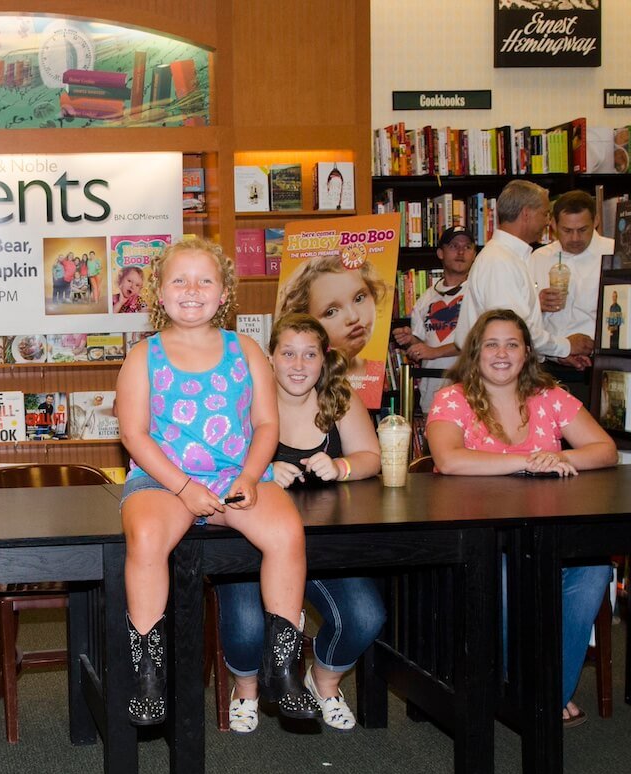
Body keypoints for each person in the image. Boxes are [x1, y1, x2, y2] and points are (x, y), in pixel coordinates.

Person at [117, 237, 318, 726]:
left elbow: (267, 425)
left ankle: (283, 666)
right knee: (144, 536)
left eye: (205, 279)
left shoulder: (246, 349)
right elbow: (134, 433)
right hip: (164, 480)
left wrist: (251, 476)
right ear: (159, 294)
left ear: (225, 291)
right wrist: (184, 488)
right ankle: (146, 670)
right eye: (179, 280)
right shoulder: (143, 355)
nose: (192, 289)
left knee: (287, 532)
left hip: (235, 475)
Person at [427, 308, 617, 726]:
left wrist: (559, 456)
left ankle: (546, 692)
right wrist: (528, 462)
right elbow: (449, 460)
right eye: (491, 344)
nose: (501, 353)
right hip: (483, 541)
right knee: (508, 579)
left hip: (550, 535)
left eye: (512, 344)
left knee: (594, 572)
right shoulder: (452, 398)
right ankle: (532, 689)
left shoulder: (551, 397)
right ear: (475, 352)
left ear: (527, 353)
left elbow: (604, 450)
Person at [217, 313, 384, 732]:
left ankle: (323, 682)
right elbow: (217, 464)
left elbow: (371, 457)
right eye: (287, 353)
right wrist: (265, 469)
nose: (297, 364)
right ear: (269, 358)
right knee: (247, 627)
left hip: (319, 546)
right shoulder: (246, 398)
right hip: (246, 543)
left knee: (365, 615)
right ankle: (245, 689)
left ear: (324, 359)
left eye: (309, 354)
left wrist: (342, 465)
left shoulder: (338, 396)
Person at [455, 180, 591, 369]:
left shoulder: (508, 256)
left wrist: (556, 355)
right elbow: (514, 331)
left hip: (501, 370)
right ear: (527, 213)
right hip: (496, 374)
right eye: (545, 214)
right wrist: (566, 346)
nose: (547, 222)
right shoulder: (500, 260)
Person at [529, 190, 614, 397]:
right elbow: (522, 318)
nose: (575, 238)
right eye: (567, 230)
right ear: (553, 225)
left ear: (596, 221)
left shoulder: (616, 252)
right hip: (549, 366)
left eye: (583, 229)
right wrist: (535, 303)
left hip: (602, 367)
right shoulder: (538, 258)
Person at [277, 253, 387, 406]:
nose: (353, 317)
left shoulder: (381, 373)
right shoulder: (301, 382)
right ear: (304, 323)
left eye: (359, 298)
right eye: (331, 312)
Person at [392, 227, 475, 414]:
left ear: (474, 254)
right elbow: (423, 346)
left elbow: (479, 342)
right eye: (454, 246)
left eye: (467, 247)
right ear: (440, 253)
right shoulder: (426, 299)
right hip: (434, 392)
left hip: (472, 392)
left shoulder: (479, 293)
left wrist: (434, 352)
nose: (461, 252)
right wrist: (411, 340)